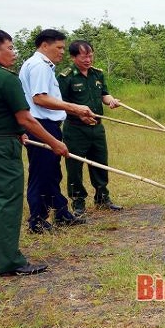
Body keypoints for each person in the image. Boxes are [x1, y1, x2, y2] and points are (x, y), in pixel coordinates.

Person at [0, 29, 68, 276]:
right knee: (8, 200)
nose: (14, 54)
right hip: (0, 147)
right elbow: (26, 118)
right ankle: (11, 262)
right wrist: (54, 143)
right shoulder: (6, 79)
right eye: (10, 48)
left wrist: (12, 129)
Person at [18, 29, 94, 233]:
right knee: (42, 174)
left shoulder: (42, 66)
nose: (62, 52)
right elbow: (39, 98)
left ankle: (61, 213)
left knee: (52, 173)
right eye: (59, 47)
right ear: (44, 45)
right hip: (41, 125)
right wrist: (74, 107)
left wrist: (75, 112)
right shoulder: (39, 66)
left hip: (47, 123)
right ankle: (37, 221)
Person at [58, 40, 123, 215]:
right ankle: (78, 202)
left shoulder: (97, 74)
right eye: (83, 56)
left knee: (101, 162)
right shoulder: (66, 76)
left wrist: (112, 101)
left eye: (90, 55)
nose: (88, 60)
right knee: (75, 166)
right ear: (73, 57)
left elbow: (104, 94)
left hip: (97, 128)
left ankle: (102, 197)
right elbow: (60, 103)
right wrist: (78, 114)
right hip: (75, 129)